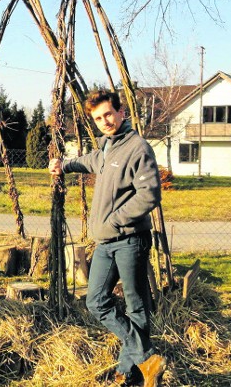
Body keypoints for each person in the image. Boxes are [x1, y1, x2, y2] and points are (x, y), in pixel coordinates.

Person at [48, 90, 167, 387]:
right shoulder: (107, 150)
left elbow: (149, 195)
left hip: (130, 240)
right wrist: (64, 165)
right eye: (98, 118)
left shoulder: (137, 148)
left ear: (121, 112)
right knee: (96, 301)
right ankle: (147, 358)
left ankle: (130, 373)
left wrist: (114, 220)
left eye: (108, 114)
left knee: (135, 306)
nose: (105, 121)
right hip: (105, 244)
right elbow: (89, 161)